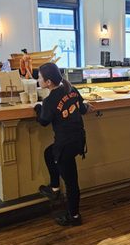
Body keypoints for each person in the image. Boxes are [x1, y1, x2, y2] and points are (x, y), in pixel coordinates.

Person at [35, 62, 92, 226]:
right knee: (48, 153)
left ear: (48, 82)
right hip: (79, 140)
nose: (37, 79)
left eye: (39, 77)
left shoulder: (50, 100)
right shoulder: (71, 89)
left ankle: (74, 216)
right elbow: (81, 108)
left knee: (71, 182)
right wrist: (87, 106)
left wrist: (38, 108)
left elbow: (44, 121)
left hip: (65, 145)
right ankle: (54, 189)